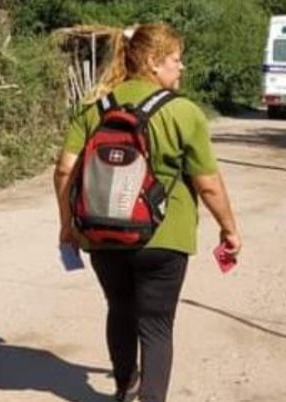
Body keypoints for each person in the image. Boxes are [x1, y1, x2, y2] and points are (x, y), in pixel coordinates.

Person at [53, 23, 242, 402]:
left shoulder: (96, 108)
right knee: (156, 325)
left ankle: (126, 388)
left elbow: (63, 169)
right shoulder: (184, 113)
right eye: (176, 59)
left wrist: (67, 225)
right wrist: (229, 229)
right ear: (154, 63)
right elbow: (208, 184)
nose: (181, 68)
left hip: (102, 232)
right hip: (164, 238)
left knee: (119, 310)